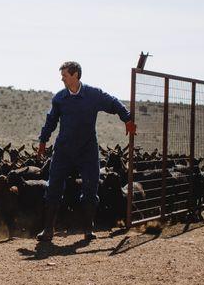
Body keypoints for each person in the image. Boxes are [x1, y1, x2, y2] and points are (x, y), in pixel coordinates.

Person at [36, 61, 136, 242]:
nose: (62, 78)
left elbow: (112, 102)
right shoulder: (59, 98)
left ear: (75, 75)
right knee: (53, 187)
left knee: (91, 188)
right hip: (63, 150)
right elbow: (51, 120)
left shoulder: (93, 94)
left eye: (65, 75)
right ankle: (48, 230)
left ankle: (88, 230)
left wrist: (127, 118)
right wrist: (43, 140)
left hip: (87, 150)